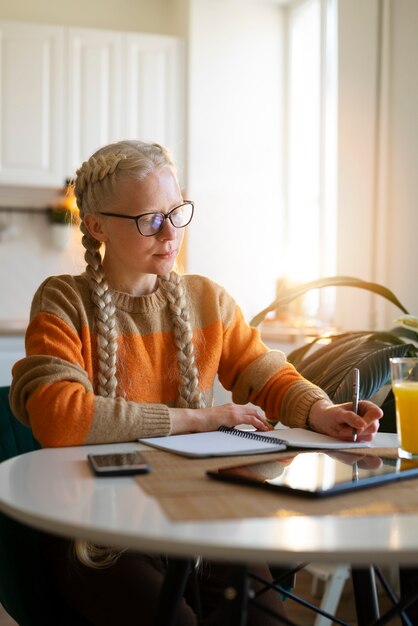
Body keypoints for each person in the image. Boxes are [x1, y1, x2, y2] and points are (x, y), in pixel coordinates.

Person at [9, 140, 382, 625]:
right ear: (97, 225)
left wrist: (321, 411)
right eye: (149, 220)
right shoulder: (63, 302)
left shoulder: (208, 300)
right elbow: (61, 417)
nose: (170, 234)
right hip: (96, 535)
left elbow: (263, 372)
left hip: (200, 520)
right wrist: (201, 420)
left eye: (176, 212)